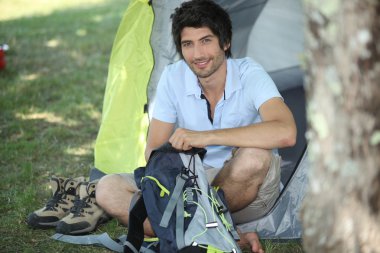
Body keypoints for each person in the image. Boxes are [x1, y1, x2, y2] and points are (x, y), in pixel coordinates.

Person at [96, 0, 297, 252]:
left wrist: (206, 137)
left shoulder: (249, 73)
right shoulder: (173, 76)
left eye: (206, 41)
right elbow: (153, 152)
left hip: (244, 191)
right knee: (107, 189)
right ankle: (222, 234)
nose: (198, 54)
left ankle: (186, 229)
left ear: (225, 42)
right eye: (187, 44)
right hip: (191, 186)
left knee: (255, 157)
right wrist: (175, 176)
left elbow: (286, 132)